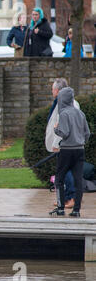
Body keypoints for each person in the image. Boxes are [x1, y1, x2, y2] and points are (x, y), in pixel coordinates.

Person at [49, 87, 90, 217]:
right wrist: (81, 142)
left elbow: (64, 133)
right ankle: (76, 210)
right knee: (78, 180)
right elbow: (87, 133)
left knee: (59, 179)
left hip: (66, 151)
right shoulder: (80, 113)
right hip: (80, 150)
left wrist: (56, 129)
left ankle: (61, 208)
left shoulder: (64, 114)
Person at [46, 78, 81, 209]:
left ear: (59, 90)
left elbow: (62, 126)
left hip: (66, 143)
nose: (52, 92)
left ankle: (70, 197)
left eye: (53, 89)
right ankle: (65, 198)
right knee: (65, 171)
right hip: (70, 142)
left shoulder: (65, 105)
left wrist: (56, 143)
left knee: (65, 171)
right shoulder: (68, 103)